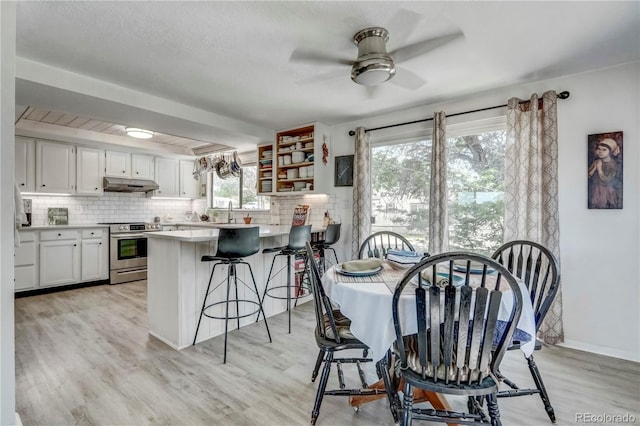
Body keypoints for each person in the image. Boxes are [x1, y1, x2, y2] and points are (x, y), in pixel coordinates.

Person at [588, 137, 621, 208]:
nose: (600, 151)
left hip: (607, 191)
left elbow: (608, 180)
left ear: (610, 151)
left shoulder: (613, 164)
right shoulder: (597, 161)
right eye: (599, 149)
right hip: (595, 190)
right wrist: (594, 168)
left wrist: (599, 169)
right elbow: (588, 175)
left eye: (604, 150)